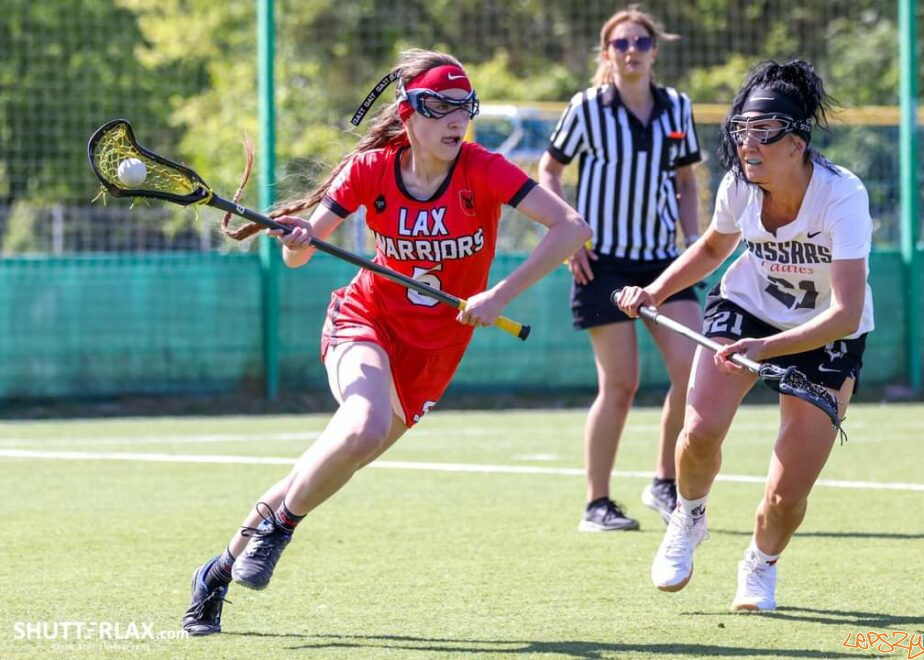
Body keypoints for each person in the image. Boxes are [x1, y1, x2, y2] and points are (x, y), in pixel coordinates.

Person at [181, 49, 591, 636]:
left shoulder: (483, 169)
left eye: (464, 108)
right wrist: (299, 237)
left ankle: (216, 572)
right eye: (439, 107)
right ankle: (279, 531)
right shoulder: (371, 170)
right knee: (363, 426)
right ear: (408, 112)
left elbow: (574, 228)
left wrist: (500, 294)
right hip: (364, 322)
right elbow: (297, 256)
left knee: (331, 460)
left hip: (433, 354)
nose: (455, 120)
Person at [615, 58, 874, 610]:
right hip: (746, 307)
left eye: (763, 133)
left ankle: (760, 563)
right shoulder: (739, 185)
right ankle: (689, 516)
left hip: (825, 331)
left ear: (797, 142)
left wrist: (767, 350)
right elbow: (713, 248)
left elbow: (847, 313)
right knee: (700, 430)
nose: (747, 144)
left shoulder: (842, 196)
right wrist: (654, 292)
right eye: (742, 131)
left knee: (786, 495)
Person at [538, 5, 703, 532]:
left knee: (693, 368)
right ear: (607, 54)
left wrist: (693, 240)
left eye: (640, 43)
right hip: (603, 263)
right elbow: (550, 169)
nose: (631, 52)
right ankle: (597, 504)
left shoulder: (677, 107)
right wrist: (567, 237)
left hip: (662, 263)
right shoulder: (587, 107)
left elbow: (687, 180)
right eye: (620, 44)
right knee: (621, 384)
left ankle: (664, 482)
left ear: (655, 50)